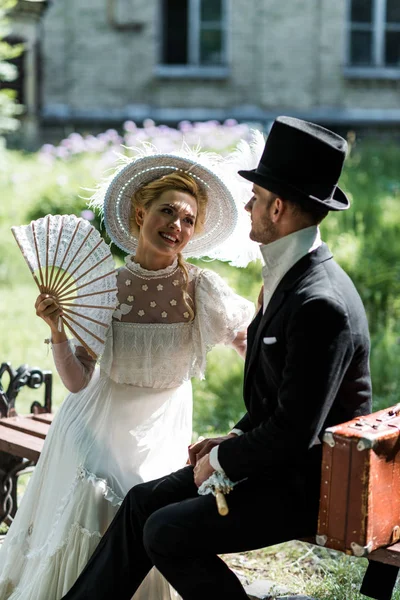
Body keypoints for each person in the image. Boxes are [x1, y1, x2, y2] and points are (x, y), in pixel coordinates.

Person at [59, 116, 373, 600]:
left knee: (165, 531)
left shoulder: (320, 303)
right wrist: (234, 437)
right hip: (274, 462)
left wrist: (225, 458)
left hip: (308, 487)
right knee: (144, 502)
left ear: (279, 207)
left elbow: (295, 433)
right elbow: (282, 402)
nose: (247, 205)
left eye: (257, 196)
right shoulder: (291, 275)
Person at [0, 150, 256, 600]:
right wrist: (57, 331)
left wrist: (273, 393)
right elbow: (79, 381)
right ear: (140, 214)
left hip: (163, 425)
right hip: (100, 421)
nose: (177, 225)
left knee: (150, 503)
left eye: (188, 219)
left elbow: (246, 344)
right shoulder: (108, 288)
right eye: (167, 211)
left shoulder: (200, 289)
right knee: (104, 496)